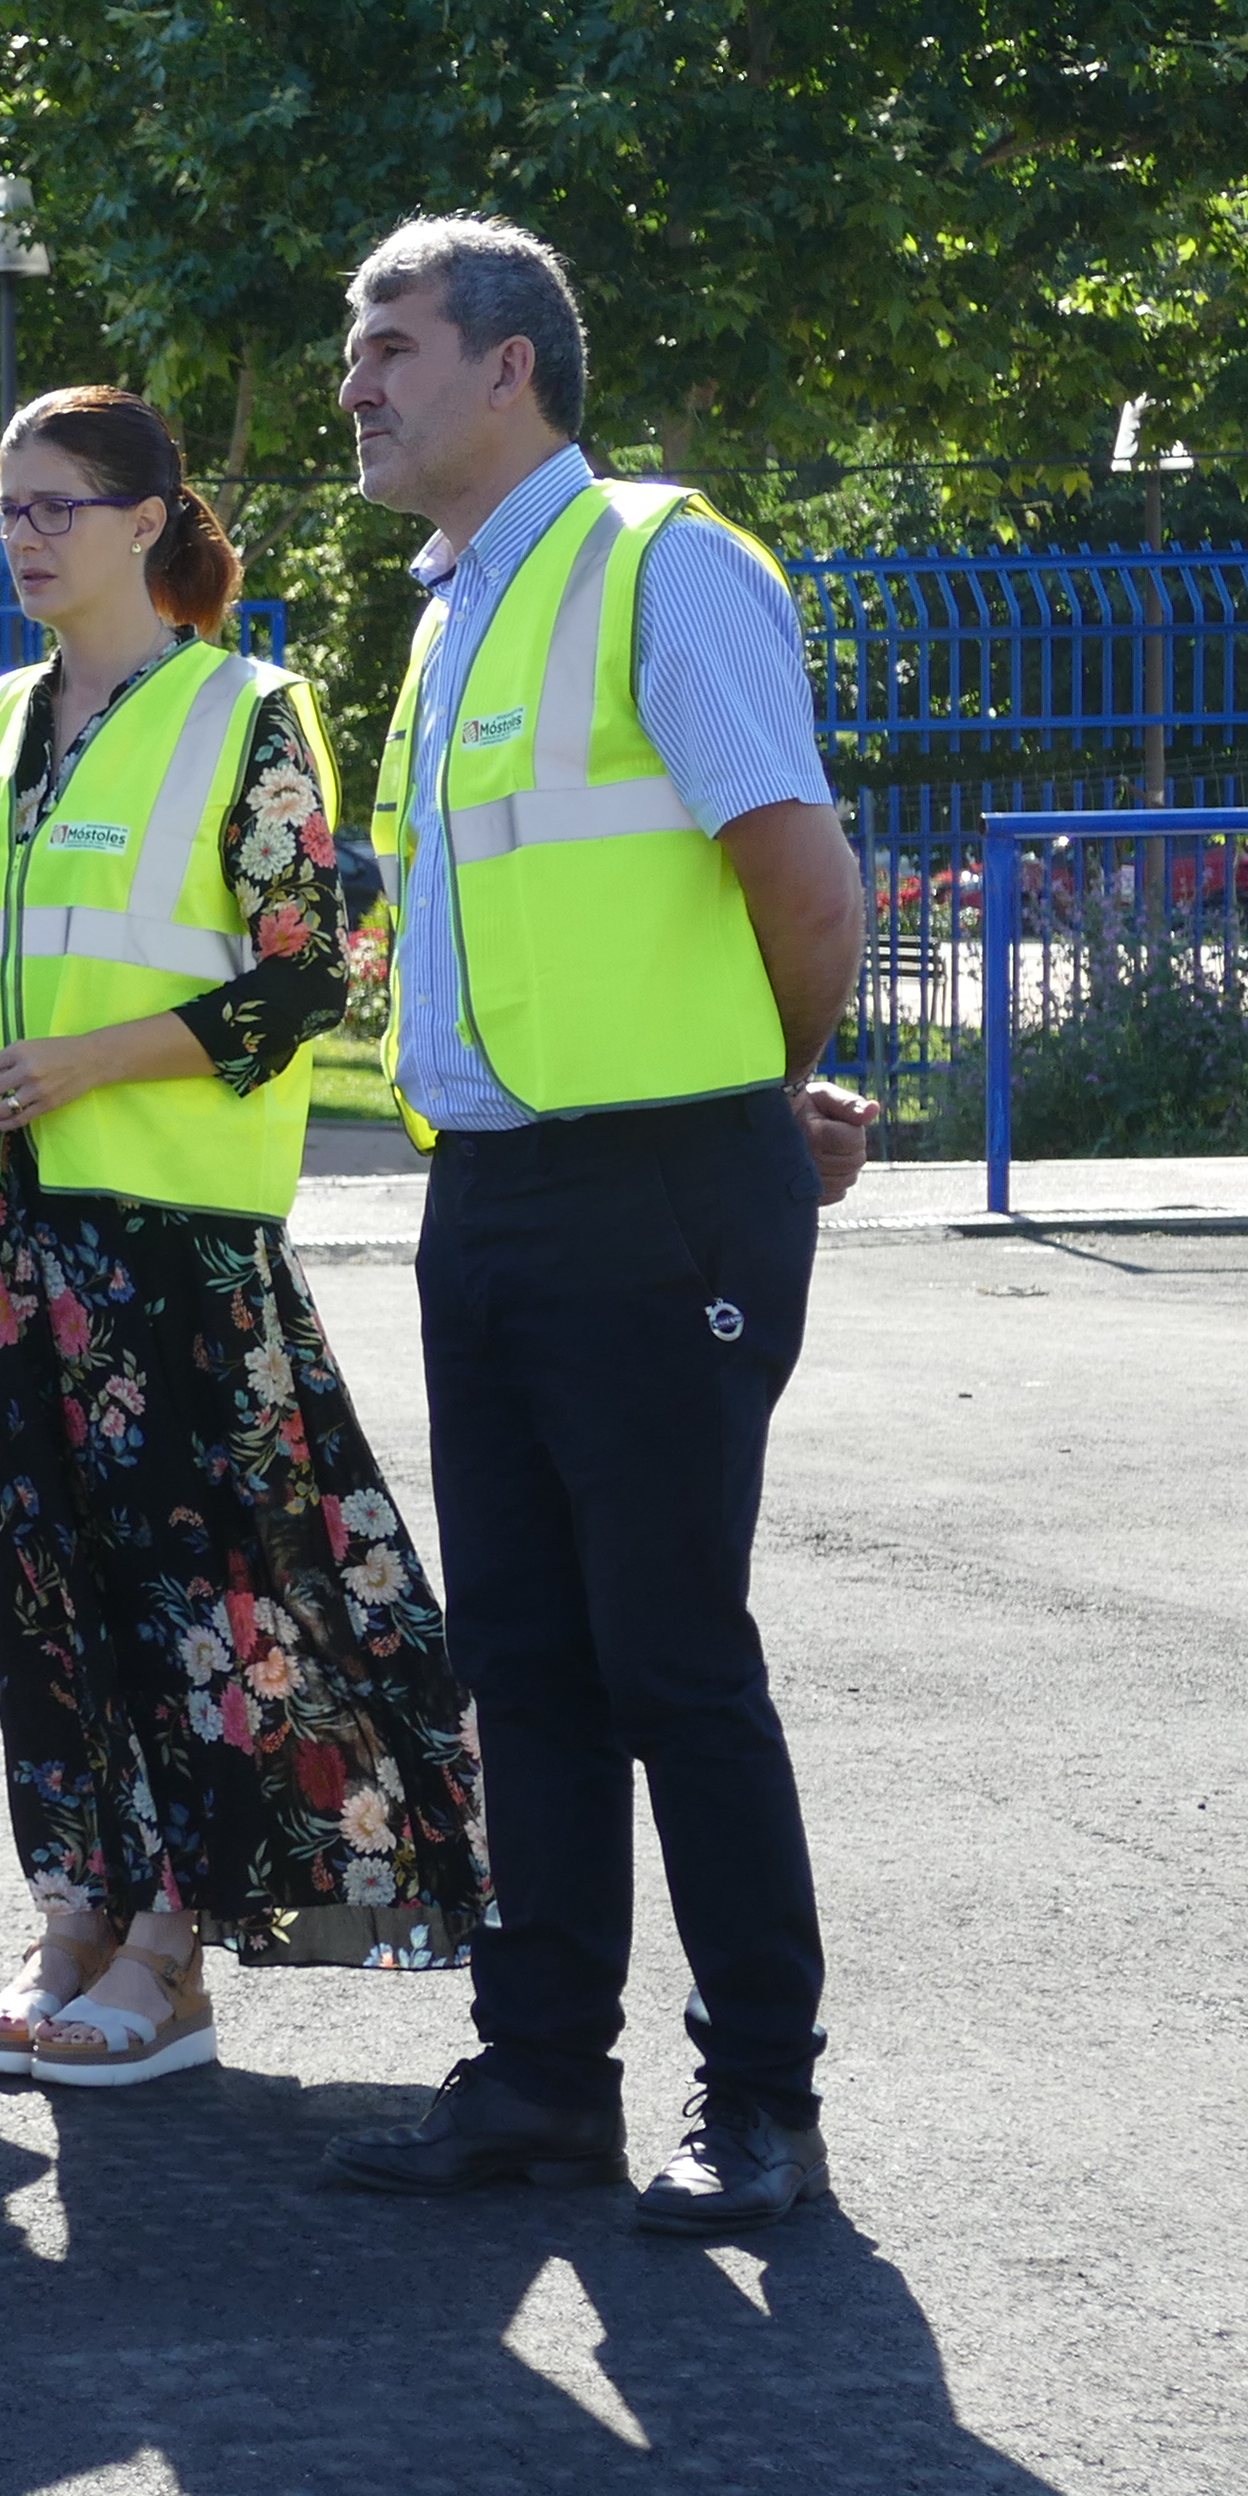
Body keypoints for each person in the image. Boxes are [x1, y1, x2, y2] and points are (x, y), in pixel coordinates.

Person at [307, 221, 876, 2239]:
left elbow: (800, 876)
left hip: (654, 1189)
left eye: (390, 346)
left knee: (670, 1660)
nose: (354, 382)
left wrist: (741, 1088)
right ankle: (544, 2074)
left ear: (510, 368)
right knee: (526, 1664)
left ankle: (761, 2105)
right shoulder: (460, 605)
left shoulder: (657, 564)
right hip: (502, 1195)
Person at [0, 389, 487, 2090]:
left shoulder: (246, 708)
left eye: (56, 506)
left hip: (168, 1235)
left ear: (150, 518)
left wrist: (83, 1060)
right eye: (4, 508)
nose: (22, 535)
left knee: (190, 1593)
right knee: (37, 1590)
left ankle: (170, 1945)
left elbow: (307, 967)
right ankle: (72, 1908)